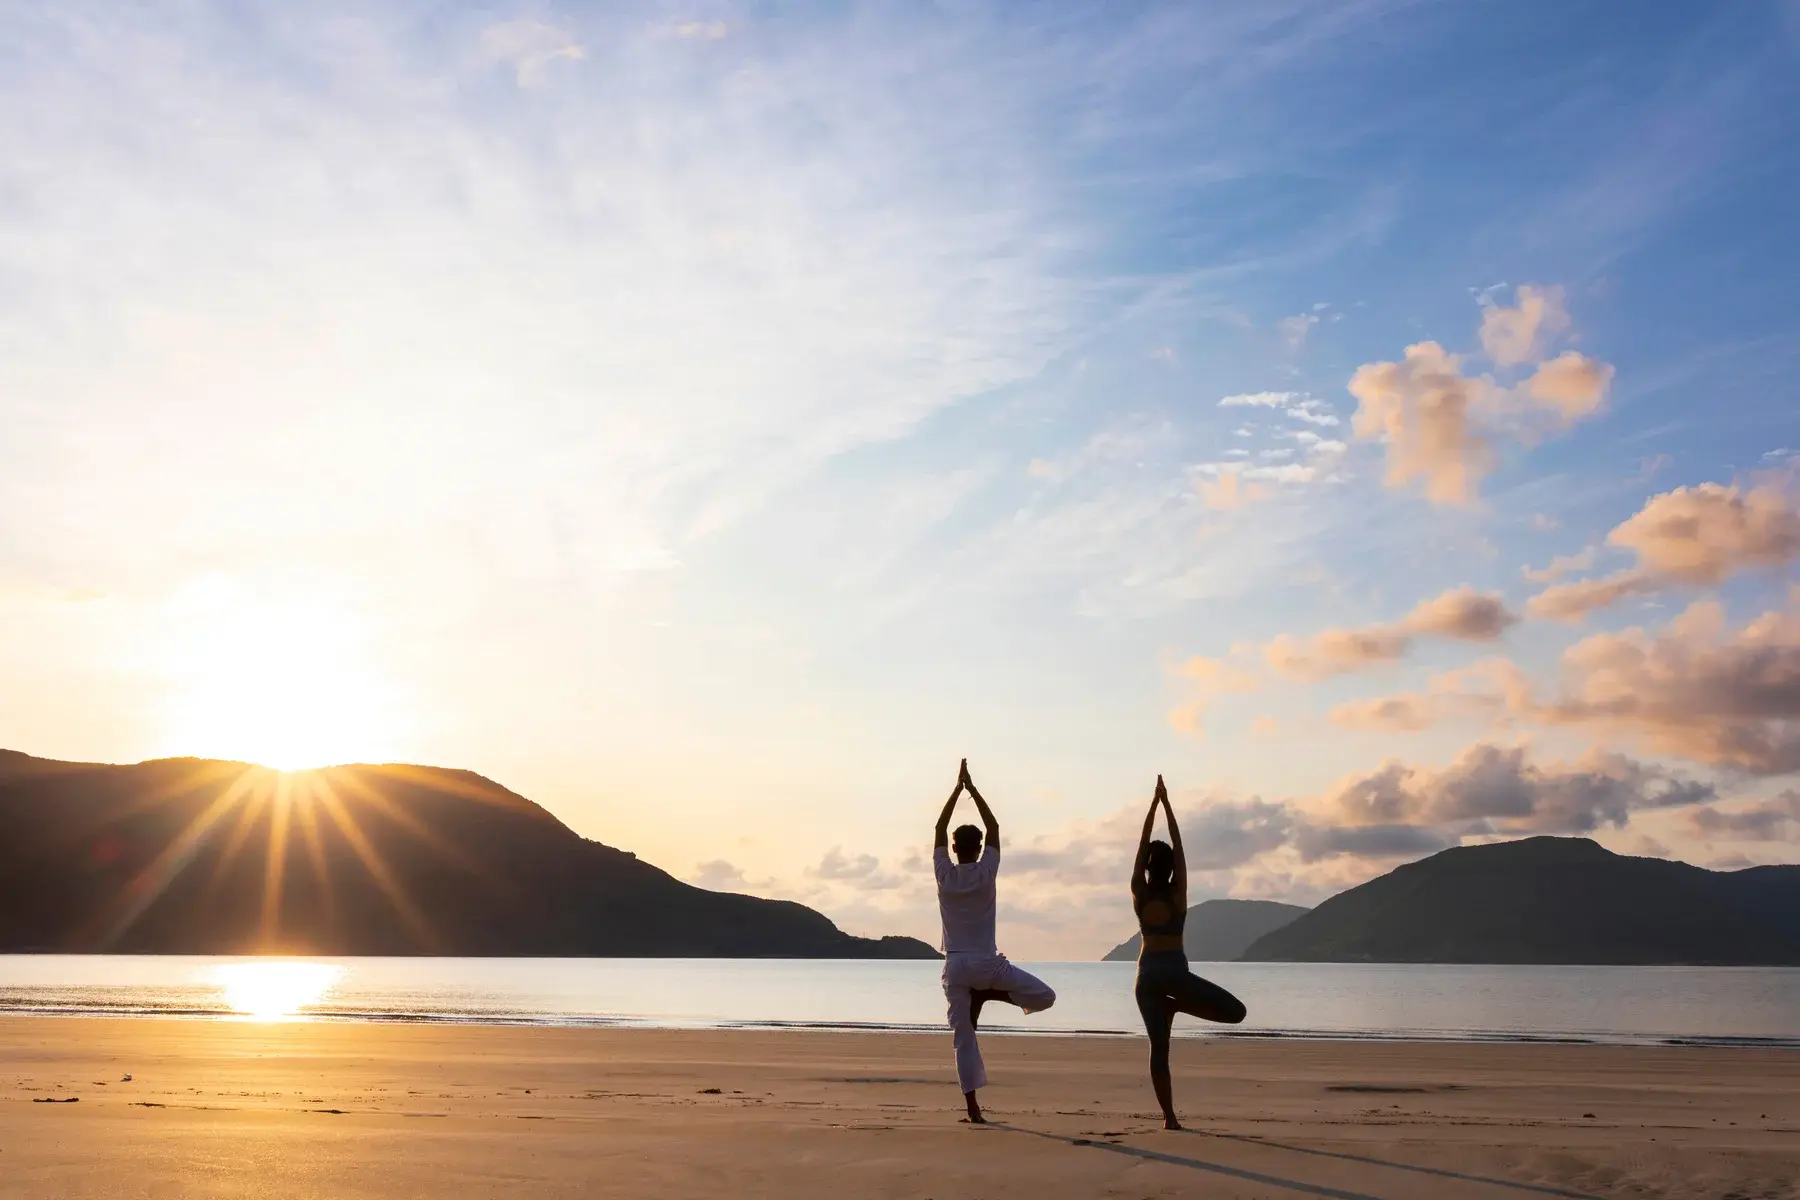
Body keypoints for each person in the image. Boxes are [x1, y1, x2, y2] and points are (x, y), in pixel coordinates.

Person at [933, 758, 1056, 1124]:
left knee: (963, 1038)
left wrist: (956, 791)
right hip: (988, 965)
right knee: (1045, 996)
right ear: (979, 848)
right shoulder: (987, 871)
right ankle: (991, 994)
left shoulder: (944, 875)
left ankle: (973, 1110)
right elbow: (995, 827)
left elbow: (939, 827)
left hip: (956, 966)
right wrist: (972, 789)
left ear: (954, 847)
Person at [1131, 774, 1247, 1130]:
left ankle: (1169, 1118)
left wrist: (1153, 806)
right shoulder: (1178, 894)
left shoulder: (1139, 893)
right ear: (1171, 869)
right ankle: (1177, 1006)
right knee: (1236, 1012)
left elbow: (1142, 845)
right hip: (1174, 974)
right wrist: (1166, 804)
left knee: (1159, 1049)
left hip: (1146, 975)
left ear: (1147, 867)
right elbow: (1179, 847)